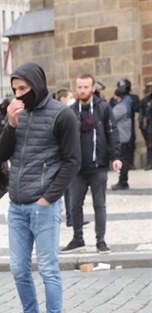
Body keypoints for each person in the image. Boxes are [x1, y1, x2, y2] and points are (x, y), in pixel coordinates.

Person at [0, 62, 81, 313]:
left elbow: (72, 161)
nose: (19, 95)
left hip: (43, 206)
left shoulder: (62, 114)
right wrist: (10, 125)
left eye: (23, 88)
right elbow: (1, 155)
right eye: (15, 89)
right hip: (17, 206)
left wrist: (49, 197)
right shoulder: (16, 114)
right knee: (18, 268)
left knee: (48, 269)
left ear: (37, 84)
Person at [61, 74, 121, 255]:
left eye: (86, 87)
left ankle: (100, 240)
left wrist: (116, 157)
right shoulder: (71, 110)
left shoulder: (103, 108)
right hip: (77, 168)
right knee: (74, 205)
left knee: (99, 204)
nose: (82, 90)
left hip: (99, 166)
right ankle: (78, 238)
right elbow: (63, 137)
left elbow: (112, 132)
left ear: (93, 88)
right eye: (79, 87)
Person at [55, 88, 75, 227]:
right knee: (60, 191)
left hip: (65, 157)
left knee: (68, 190)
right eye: (70, 96)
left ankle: (70, 217)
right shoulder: (61, 114)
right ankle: (67, 217)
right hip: (60, 158)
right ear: (63, 99)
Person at [111, 85, 133, 191]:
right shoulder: (127, 103)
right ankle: (123, 181)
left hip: (122, 136)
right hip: (126, 135)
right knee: (125, 159)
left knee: (123, 160)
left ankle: (123, 182)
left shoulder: (121, 107)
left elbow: (111, 118)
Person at [140, 83, 152, 170]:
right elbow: (141, 113)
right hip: (150, 125)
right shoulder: (145, 100)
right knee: (150, 145)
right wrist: (142, 125)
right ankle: (150, 163)